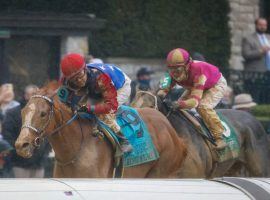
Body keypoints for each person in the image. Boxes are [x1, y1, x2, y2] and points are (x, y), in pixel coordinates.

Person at [60, 53, 132, 153]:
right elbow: (62, 102)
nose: (79, 81)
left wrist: (91, 108)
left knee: (103, 113)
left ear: (85, 68)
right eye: (74, 79)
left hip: (120, 87)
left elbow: (110, 106)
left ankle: (123, 140)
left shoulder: (100, 78)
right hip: (94, 90)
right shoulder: (65, 82)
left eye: (80, 75)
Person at [157, 48, 228, 150]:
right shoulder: (170, 73)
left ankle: (219, 138)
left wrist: (178, 104)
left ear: (187, 65)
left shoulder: (199, 73)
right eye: (171, 69)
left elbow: (194, 102)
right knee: (180, 108)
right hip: (193, 85)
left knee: (202, 106)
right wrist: (160, 95)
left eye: (178, 69)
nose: (174, 73)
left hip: (214, 84)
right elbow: (161, 90)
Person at [2, 85, 50, 178]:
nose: (35, 97)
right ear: (25, 96)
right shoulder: (13, 113)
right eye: (32, 94)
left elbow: (47, 136)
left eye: (36, 94)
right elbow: (8, 137)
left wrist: (43, 155)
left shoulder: (43, 114)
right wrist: (19, 155)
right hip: (20, 164)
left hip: (39, 165)